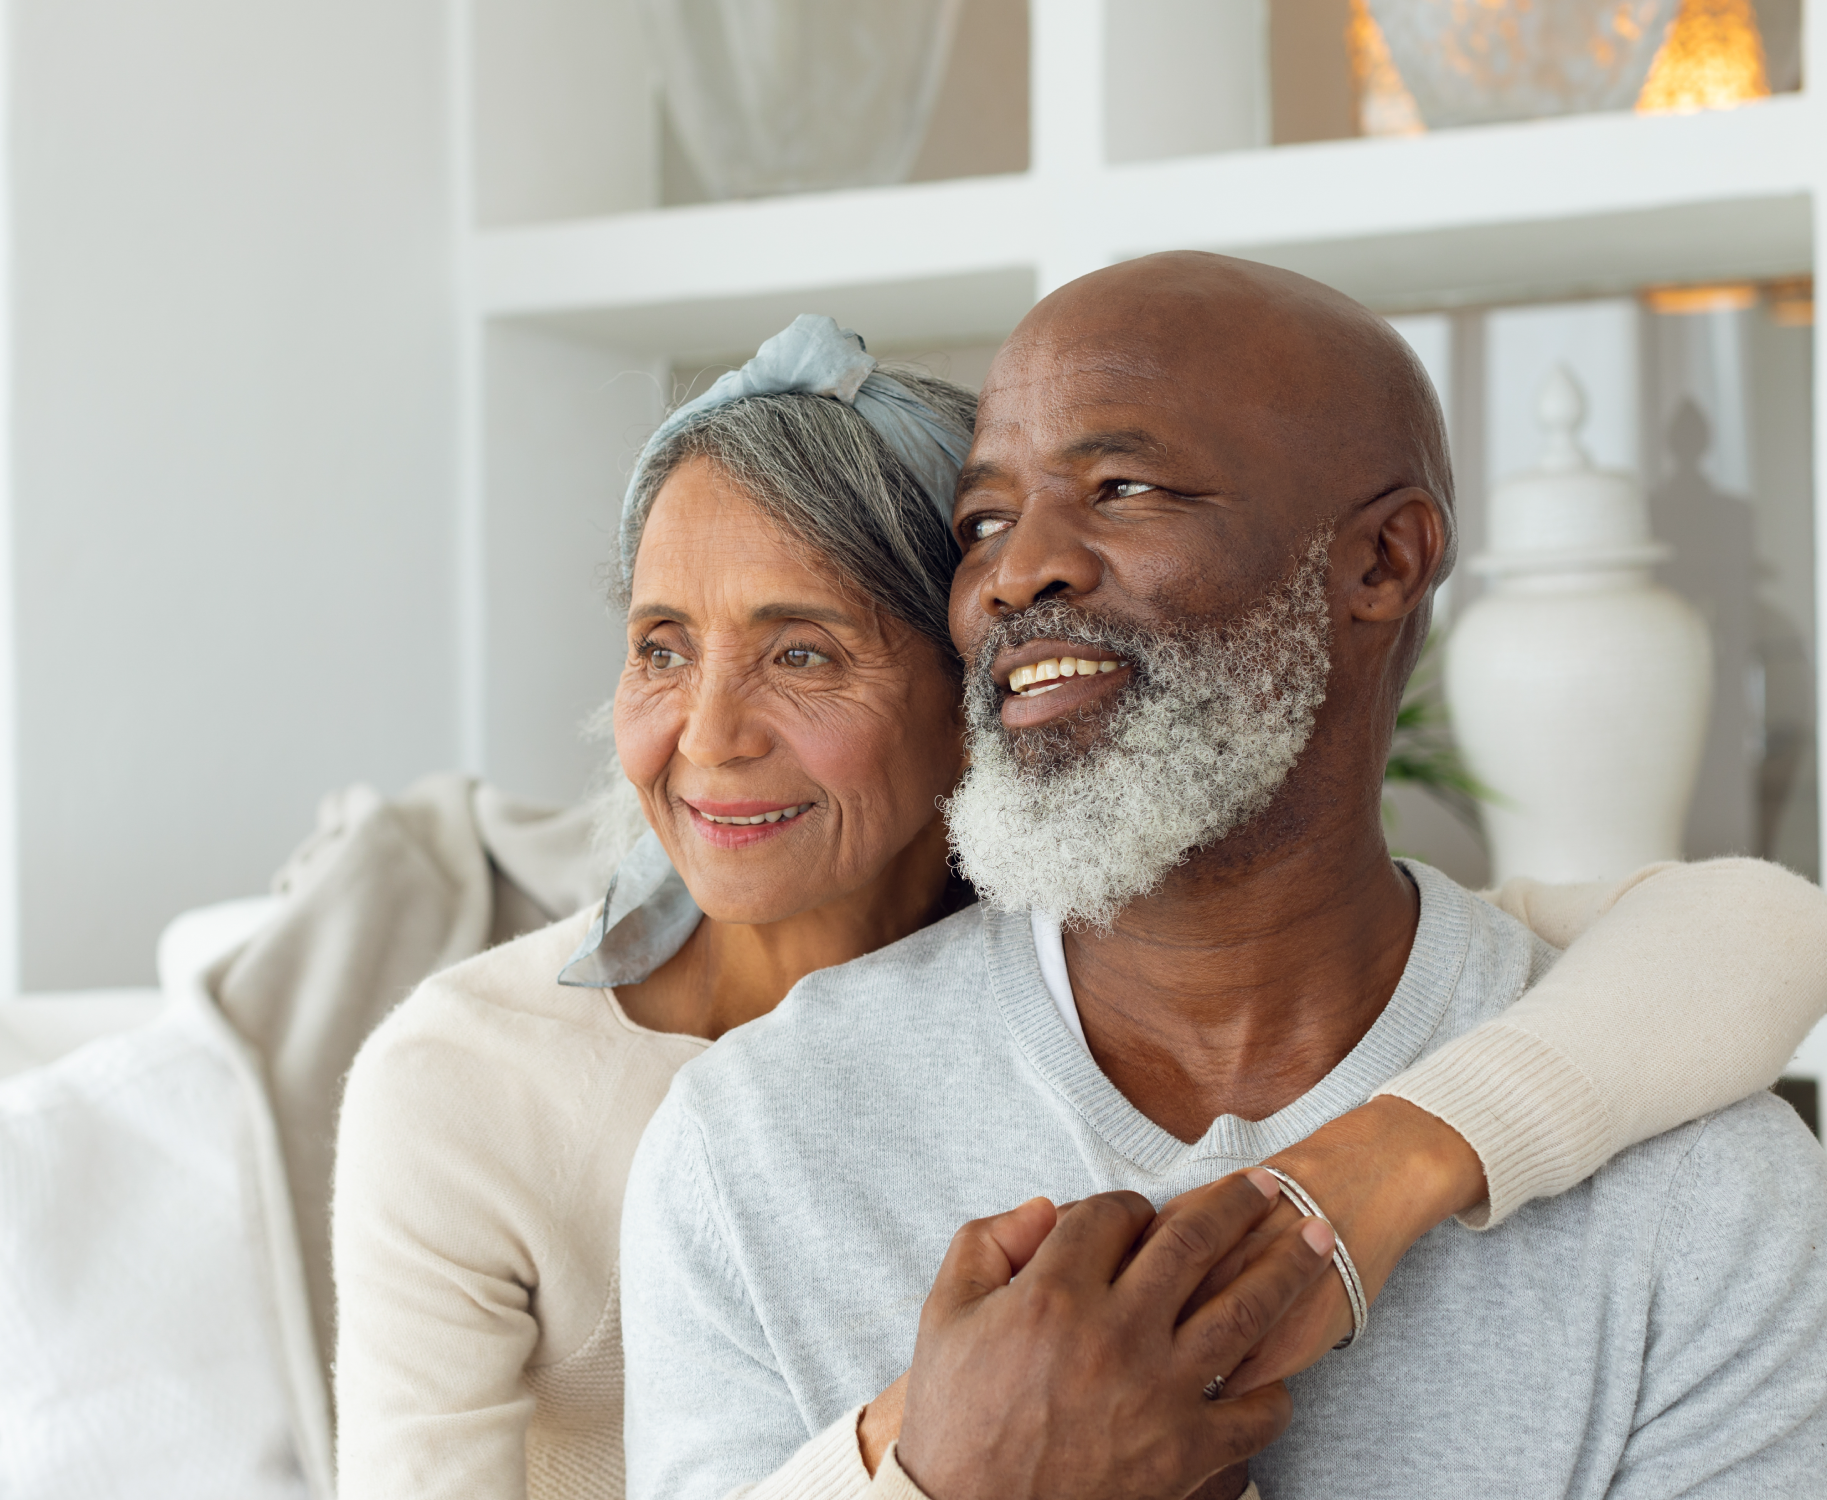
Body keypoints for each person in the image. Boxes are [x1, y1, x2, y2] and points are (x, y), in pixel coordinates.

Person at [332, 313, 1827, 1500]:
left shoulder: (1676, 1155)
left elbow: (1753, 929)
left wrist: (1379, 1168)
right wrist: (949, 1467)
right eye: (660, 643)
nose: (706, 735)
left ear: (956, 689)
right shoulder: (708, 1131)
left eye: (803, 655)